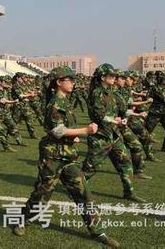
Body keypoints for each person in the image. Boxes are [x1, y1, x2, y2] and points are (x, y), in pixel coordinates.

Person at [12, 66, 119, 248]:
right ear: (58, 82)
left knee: (83, 193)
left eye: (72, 79)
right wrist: (85, 131)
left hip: (68, 156)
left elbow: (63, 128)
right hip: (52, 156)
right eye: (69, 79)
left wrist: (74, 135)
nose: (73, 83)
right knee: (42, 194)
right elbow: (57, 130)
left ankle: (98, 231)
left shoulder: (65, 101)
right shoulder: (55, 102)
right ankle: (22, 219)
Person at [82, 64, 145, 203]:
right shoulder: (96, 93)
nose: (114, 78)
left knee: (125, 162)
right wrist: (115, 121)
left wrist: (121, 119)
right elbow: (99, 115)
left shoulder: (111, 92)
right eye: (111, 76)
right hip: (100, 137)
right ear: (103, 77)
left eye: (115, 76)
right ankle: (76, 189)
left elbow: (117, 111)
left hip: (114, 135)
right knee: (90, 168)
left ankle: (128, 192)